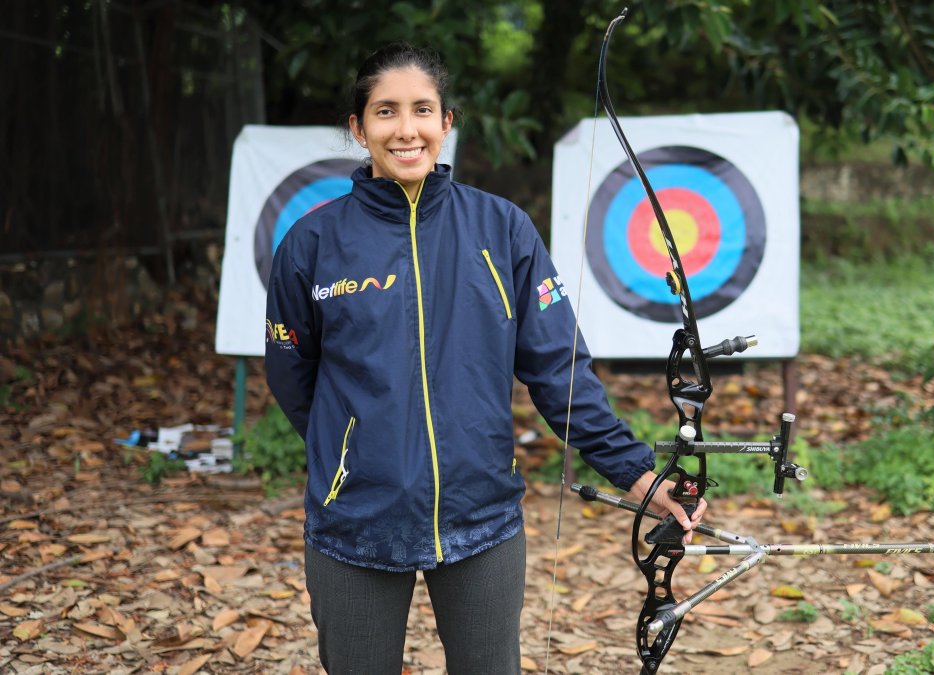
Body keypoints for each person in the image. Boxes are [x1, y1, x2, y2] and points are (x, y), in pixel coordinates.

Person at [264, 43, 706, 674]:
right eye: (385, 112)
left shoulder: (503, 230)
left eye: (423, 109)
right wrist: (349, 453)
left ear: (448, 121)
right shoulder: (310, 243)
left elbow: (561, 374)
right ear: (358, 129)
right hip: (354, 522)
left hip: (482, 517)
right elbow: (292, 375)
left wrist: (640, 475)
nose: (406, 128)